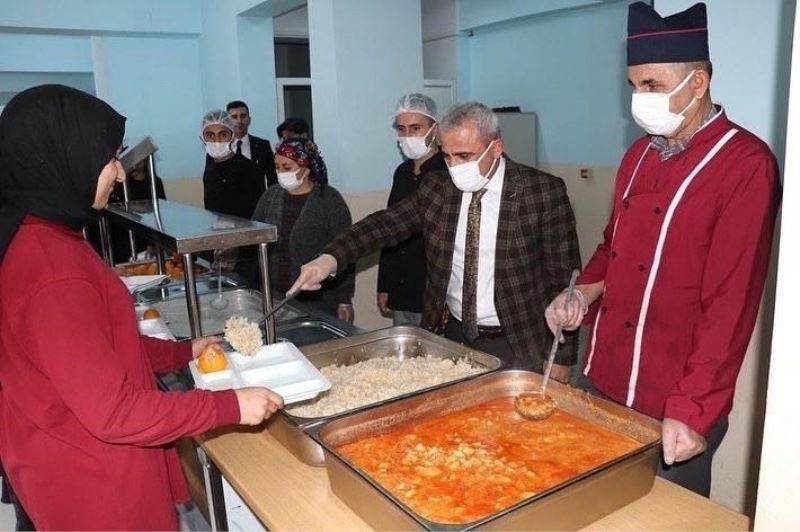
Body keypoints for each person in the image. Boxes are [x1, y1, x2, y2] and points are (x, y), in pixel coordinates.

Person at [0, 85, 284, 530]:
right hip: (95, 488)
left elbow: (98, 347)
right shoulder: (54, 272)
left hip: (67, 460)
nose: (118, 171)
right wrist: (228, 406)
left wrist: (180, 352)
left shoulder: (45, 234)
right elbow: (113, 412)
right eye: (109, 157)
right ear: (61, 156)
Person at [545, 2, 781, 497]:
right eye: (633, 86)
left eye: (651, 85)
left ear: (697, 83)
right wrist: (581, 296)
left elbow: (731, 305)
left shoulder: (745, 166)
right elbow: (613, 249)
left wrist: (692, 411)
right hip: (603, 378)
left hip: (672, 397)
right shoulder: (638, 155)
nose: (639, 99)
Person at [290, 102, 581, 374]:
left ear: (496, 147)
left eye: (465, 156)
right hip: (451, 332)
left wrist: (563, 359)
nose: (454, 166)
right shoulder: (438, 188)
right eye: (447, 155)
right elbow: (384, 225)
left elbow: (565, 281)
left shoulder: (541, 192)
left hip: (517, 338)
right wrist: (330, 258)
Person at [252, 138, 355, 322]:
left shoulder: (329, 199)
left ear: (305, 169)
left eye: (287, 167)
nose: (280, 173)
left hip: (318, 298)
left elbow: (345, 249)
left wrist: (344, 299)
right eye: (277, 167)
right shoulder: (270, 196)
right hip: (274, 296)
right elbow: (253, 235)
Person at [377, 93, 446, 326]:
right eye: (402, 129)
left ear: (434, 128)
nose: (407, 136)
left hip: (435, 289)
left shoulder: (449, 173)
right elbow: (389, 229)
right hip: (402, 287)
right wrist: (385, 285)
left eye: (416, 128)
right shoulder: (402, 173)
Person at [202, 109, 266, 219]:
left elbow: (259, 212)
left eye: (223, 134)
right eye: (210, 135)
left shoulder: (249, 169)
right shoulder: (209, 170)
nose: (217, 140)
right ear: (203, 138)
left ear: (232, 137)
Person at [225, 100, 278, 188]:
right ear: (227, 122)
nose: (239, 121)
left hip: (258, 200)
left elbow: (272, 179)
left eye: (243, 116)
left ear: (249, 120)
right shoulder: (220, 148)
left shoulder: (263, 146)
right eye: (234, 117)